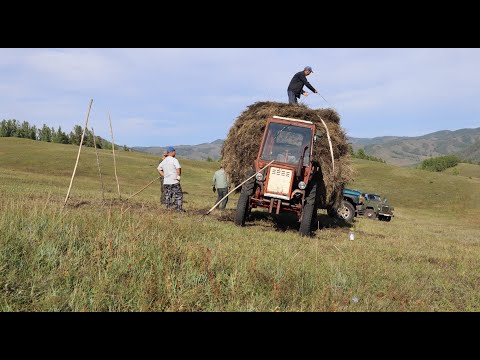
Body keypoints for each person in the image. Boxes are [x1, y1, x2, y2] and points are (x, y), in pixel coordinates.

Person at [157, 146, 184, 212]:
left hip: (166, 181)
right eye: (174, 152)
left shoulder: (164, 160)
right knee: (178, 195)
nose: (175, 153)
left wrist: (164, 175)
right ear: (171, 152)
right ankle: (179, 209)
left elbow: (158, 169)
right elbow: (178, 168)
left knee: (167, 195)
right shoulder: (174, 160)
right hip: (174, 181)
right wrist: (178, 177)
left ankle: (168, 208)